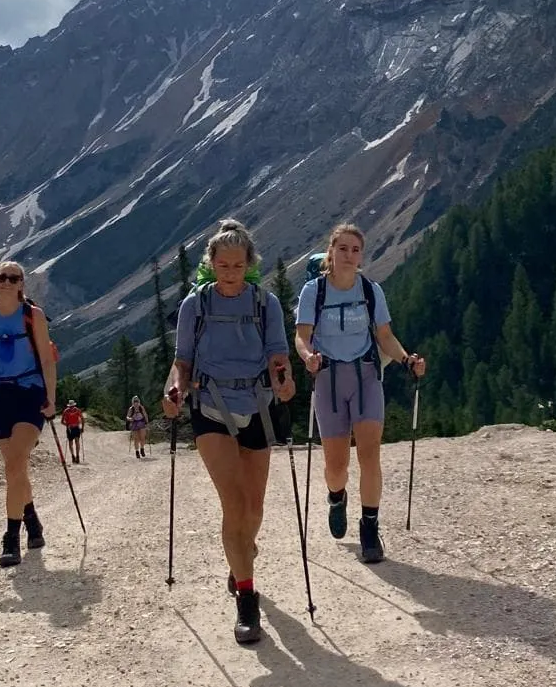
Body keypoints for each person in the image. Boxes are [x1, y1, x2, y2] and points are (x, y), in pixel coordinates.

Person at [162, 218, 296, 645]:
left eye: (238, 266)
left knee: (253, 509)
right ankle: (246, 599)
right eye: (224, 265)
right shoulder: (194, 306)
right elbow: (182, 361)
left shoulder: (265, 304)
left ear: (248, 265)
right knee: (235, 504)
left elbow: (277, 352)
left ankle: (239, 558)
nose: (231, 273)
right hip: (210, 407)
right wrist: (175, 388)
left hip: (258, 405)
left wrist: (283, 378)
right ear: (212, 263)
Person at [294, 222, 426, 564]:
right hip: (329, 380)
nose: (349, 255)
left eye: (355, 250)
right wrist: (308, 357)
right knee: (336, 466)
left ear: (361, 255)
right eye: (343, 249)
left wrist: (405, 359)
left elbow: (384, 335)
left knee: (370, 455)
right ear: (331, 252)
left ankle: (370, 527)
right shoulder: (314, 292)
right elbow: (302, 335)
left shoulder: (370, 290)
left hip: (366, 375)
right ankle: (336, 497)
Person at [0, 261, 57, 569]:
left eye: (13, 277)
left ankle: (10, 538)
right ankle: (32, 521)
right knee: (14, 469)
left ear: (21, 284)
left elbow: (46, 359)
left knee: (16, 463)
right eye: (1, 277)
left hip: (30, 393)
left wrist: (51, 397)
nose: (6, 281)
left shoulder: (34, 316)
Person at [61, 400, 85, 465]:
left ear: (74, 405)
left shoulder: (77, 410)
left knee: (77, 441)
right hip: (70, 429)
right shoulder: (66, 411)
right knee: (70, 442)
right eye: (70, 406)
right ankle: (73, 456)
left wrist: (82, 427)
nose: (71, 407)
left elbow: (82, 418)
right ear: (69, 406)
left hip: (76, 428)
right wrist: (67, 425)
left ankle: (77, 456)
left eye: (73, 406)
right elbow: (62, 421)